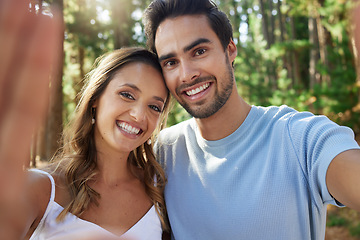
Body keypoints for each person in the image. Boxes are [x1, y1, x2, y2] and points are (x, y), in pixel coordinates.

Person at [143, 0, 360, 239]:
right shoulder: (162, 152)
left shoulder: (300, 139)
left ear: (230, 49)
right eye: (171, 62)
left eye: (199, 51)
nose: (187, 74)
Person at [0, 1, 172, 239]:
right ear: (95, 99)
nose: (139, 115)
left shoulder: (159, 191)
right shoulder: (42, 187)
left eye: (154, 106)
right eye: (127, 95)